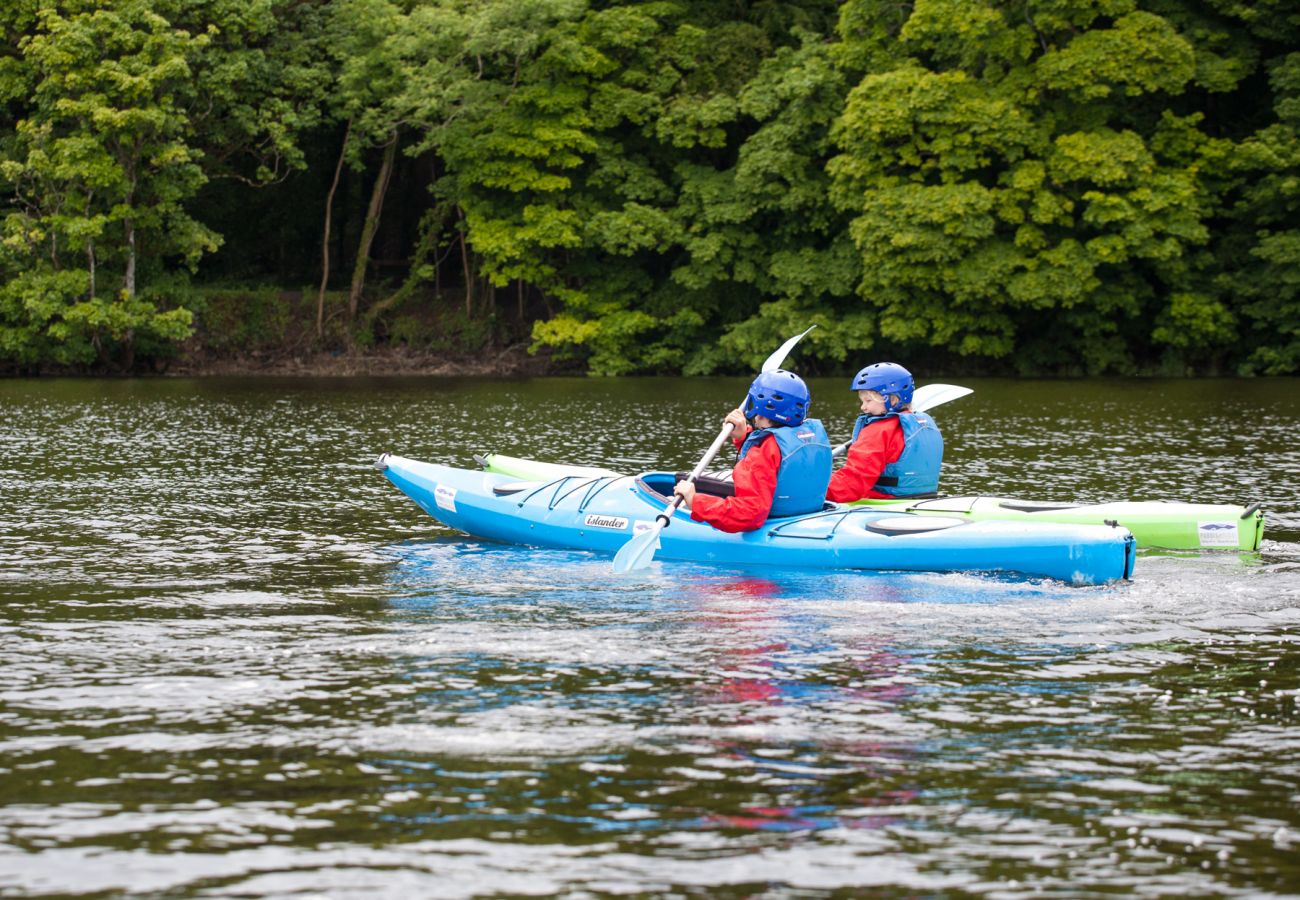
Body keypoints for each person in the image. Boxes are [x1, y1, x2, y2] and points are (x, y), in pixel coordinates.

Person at [672, 369, 832, 532]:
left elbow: (750, 514)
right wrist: (743, 437)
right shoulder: (811, 435)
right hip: (808, 516)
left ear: (760, 412)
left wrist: (695, 501)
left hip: (774, 524)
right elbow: (777, 460)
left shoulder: (764, 451)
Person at [826, 362, 943, 502]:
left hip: (885, 501)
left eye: (868, 400)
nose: (863, 407)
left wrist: (813, 490)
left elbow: (850, 485)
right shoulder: (924, 424)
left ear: (892, 400)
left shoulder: (877, 432)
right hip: (924, 498)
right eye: (862, 401)